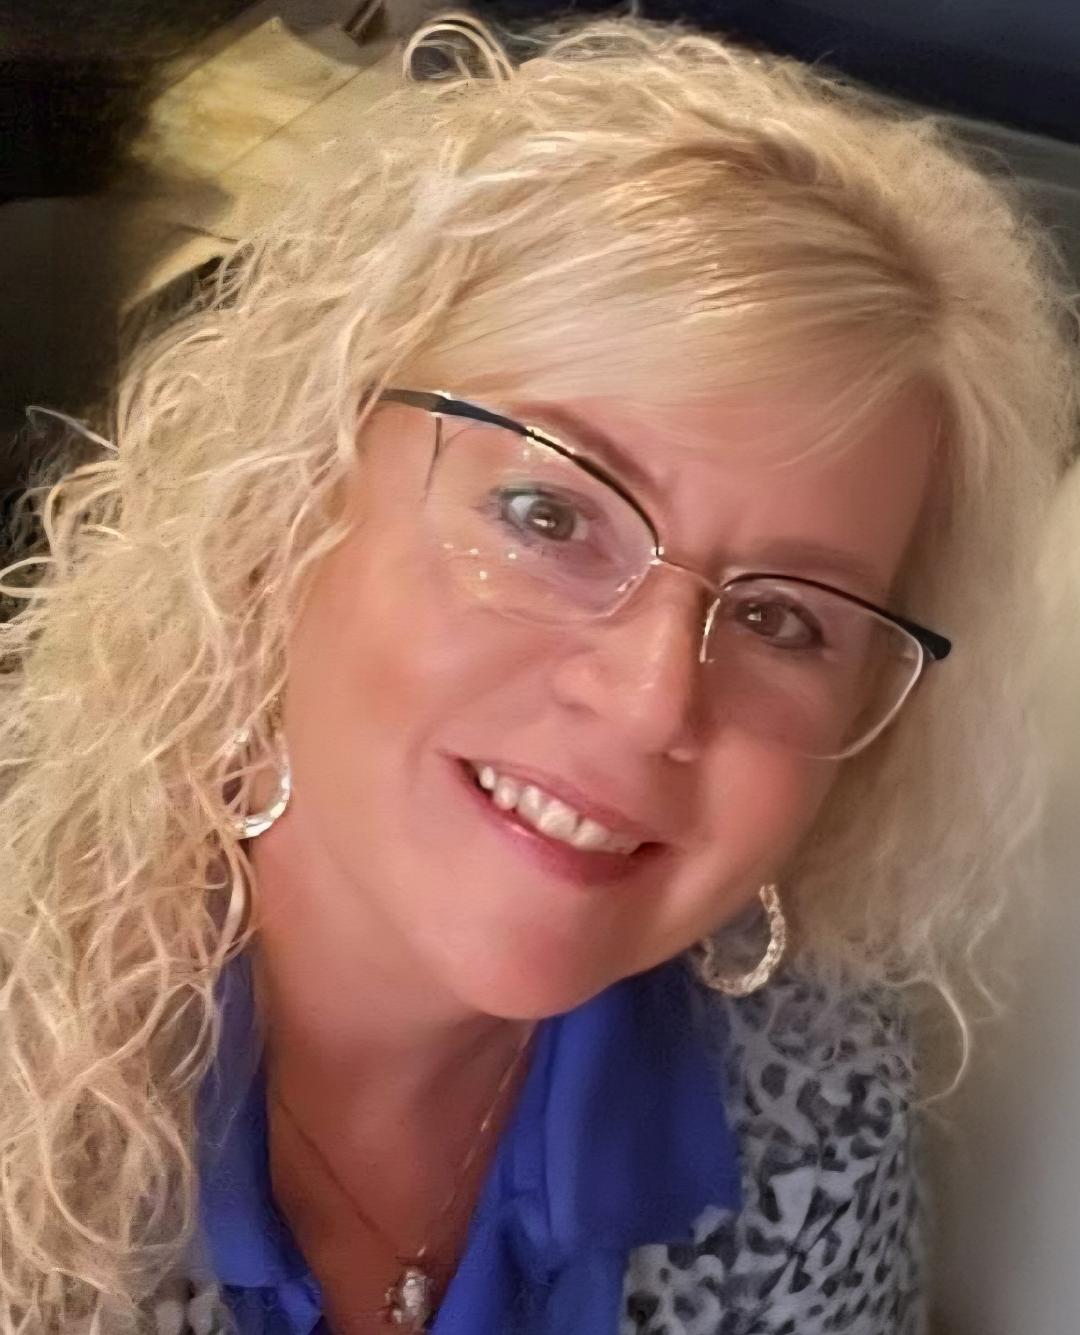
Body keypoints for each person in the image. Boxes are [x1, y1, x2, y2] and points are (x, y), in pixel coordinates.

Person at [0, 12, 1075, 1335]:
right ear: (292, 501)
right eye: (549, 515)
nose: (654, 699)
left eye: (784, 619)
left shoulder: (810, 1090)